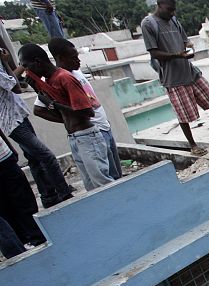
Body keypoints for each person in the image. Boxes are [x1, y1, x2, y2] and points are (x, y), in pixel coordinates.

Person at [142, 0, 209, 155]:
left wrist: (189, 46)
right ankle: (193, 145)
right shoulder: (149, 24)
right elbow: (154, 53)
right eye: (169, 9)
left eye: (174, 10)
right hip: (172, 77)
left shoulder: (173, 20)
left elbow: (185, 40)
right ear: (159, 5)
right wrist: (176, 55)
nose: (172, 13)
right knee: (183, 114)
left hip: (190, 71)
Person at [18, 43, 115, 192]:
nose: (25, 71)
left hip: (87, 136)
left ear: (37, 62)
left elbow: (87, 112)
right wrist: (40, 91)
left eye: (26, 66)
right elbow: (53, 111)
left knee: (103, 184)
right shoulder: (50, 81)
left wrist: (53, 104)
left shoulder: (64, 78)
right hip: (76, 137)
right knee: (91, 187)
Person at [41, 38, 122, 182]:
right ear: (60, 58)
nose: (78, 61)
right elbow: (40, 108)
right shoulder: (60, 79)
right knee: (104, 180)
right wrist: (69, 119)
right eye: (73, 58)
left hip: (103, 127)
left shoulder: (75, 73)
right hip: (91, 131)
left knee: (115, 176)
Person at [0, 47, 72, 208]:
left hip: (17, 116)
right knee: (47, 156)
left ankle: (48, 196)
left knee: (34, 159)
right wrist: (12, 64)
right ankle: (64, 193)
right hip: (11, 122)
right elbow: (16, 87)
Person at [0, 130, 46, 252]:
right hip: (5, 158)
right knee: (4, 208)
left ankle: (37, 237)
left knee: (23, 199)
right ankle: (23, 241)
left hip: (5, 158)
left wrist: (10, 148)